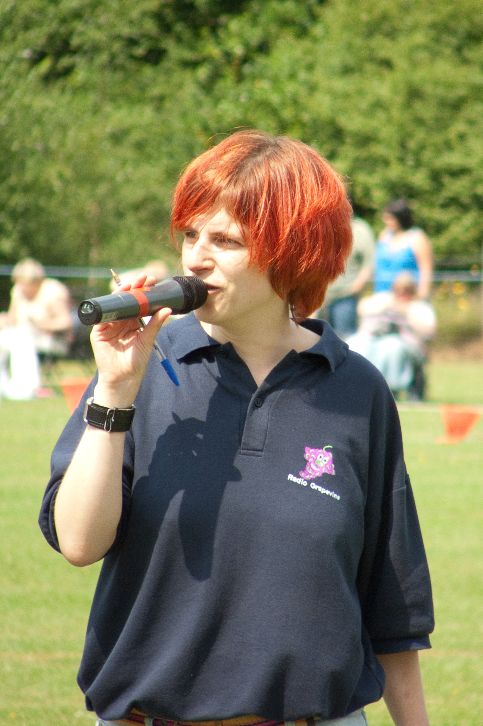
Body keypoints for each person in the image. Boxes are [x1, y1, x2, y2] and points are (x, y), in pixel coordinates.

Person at [38, 130, 434, 726]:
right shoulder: (145, 365)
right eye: (190, 235)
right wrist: (115, 392)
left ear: (294, 250)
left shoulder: (358, 389)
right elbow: (78, 543)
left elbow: (391, 611)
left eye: (225, 240)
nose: (196, 259)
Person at [347, 273, 437, 400]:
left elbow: (429, 330)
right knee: (356, 344)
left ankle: (392, 388)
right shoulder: (385, 299)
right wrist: (384, 307)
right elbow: (362, 308)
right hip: (376, 340)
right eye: (398, 289)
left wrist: (407, 313)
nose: (402, 293)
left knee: (393, 347)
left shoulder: (419, 306)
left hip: (409, 345)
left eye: (406, 290)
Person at [0, 258, 73, 399]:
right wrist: (4, 319)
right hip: (21, 335)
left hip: (54, 340)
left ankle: (27, 388)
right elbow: (13, 318)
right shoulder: (18, 291)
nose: (22, 288)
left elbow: (65, 322)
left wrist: (41, 324)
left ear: (36, 281)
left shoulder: (53, 291)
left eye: (25, 284)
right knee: (13, 336)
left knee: (22, 337)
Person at [321, 212, 375, 338]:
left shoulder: (360, 230)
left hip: (346, 296)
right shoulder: (324, 226)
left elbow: (369, 263)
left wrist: (357, 286)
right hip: (321, 298)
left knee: (345, 339)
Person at [374, 199, 433, 299]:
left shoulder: (417, 238)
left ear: (400, 218)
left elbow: (426, 270)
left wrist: (422, 295)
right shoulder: (384, 236)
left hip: (407, 296)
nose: (386, 221)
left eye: (390, 218)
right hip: (383, 293)